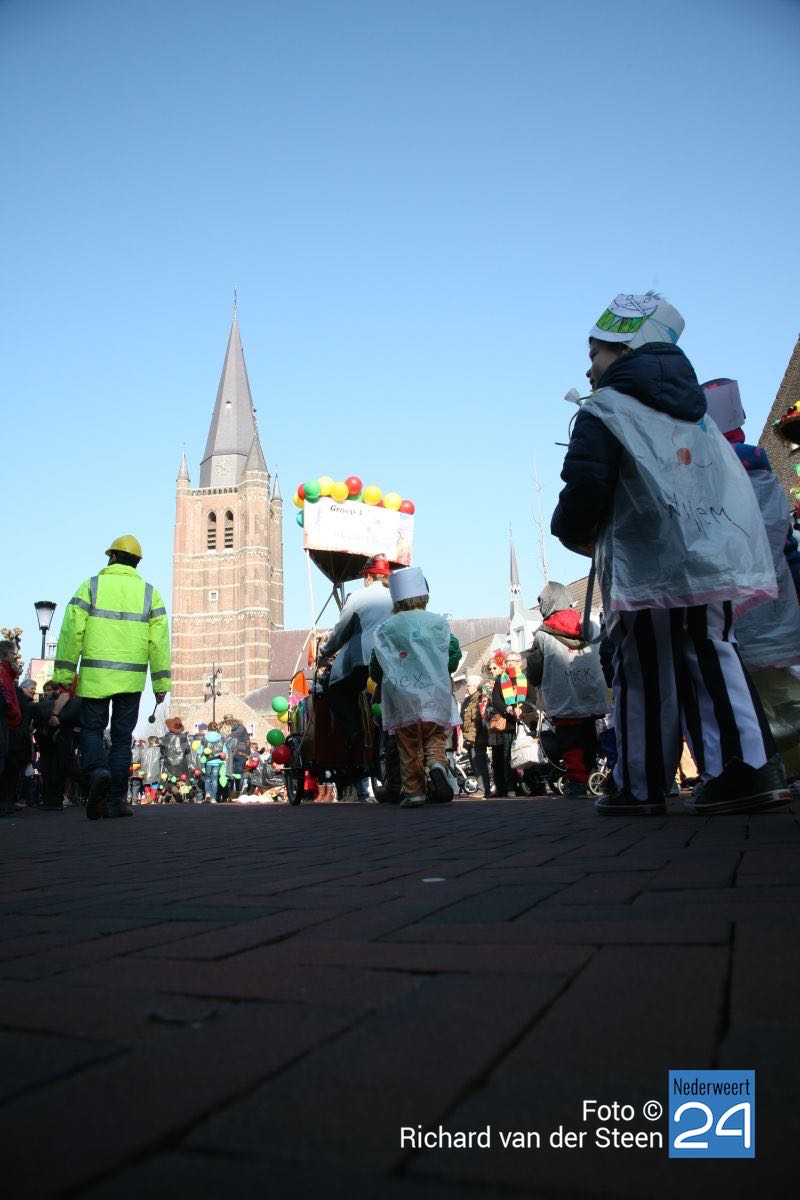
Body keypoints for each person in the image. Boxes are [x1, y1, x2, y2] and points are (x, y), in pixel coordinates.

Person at [551, 292, 788, 816]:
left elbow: (587, 481)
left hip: (646, 566)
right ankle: (747, 766)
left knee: (643, 666)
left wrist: (568, 527)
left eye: (595, 353)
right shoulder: (697, 416)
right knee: (713, 649)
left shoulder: (607, 409)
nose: (588, 368)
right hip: (709, 556)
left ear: (624, 349)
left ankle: (642, 783)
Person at [703, 378, 800, 773]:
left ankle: (773, 767)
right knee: (787, 687)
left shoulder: (706, 471)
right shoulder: (761, 466)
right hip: (778, 594)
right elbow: (783, 538)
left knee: (752, 695)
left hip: (734, 605)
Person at [52, 534, 171, 820]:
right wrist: (160, 684)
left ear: (113, 557)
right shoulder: (150, 593)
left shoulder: (91, 586)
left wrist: (64, 674)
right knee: (121, 739)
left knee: (92, 730)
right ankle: (116, 801)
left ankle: (97, 772)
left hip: (96, 676)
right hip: (131, 680)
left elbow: (71, 631)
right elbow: (159, 643)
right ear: (137, 562)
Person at [369, 566, 461, 808]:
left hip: (402, 695)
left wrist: (378, 680)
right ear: (424, 597)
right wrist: (442, 669)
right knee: (434, 737)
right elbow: (453, 652)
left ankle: (415, 792)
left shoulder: (386, 628)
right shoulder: (439, 623)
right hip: (435, 692)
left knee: (408, 744)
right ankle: (437, 765)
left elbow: (377, 662)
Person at [319, 554, 394, 799]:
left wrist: (326, 649)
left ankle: (354, 732)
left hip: (365, 662)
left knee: (336, 693)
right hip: (393, 661)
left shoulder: (358, 597)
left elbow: (341, 630)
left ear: (368, 577)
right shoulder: (397, 596)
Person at [524, 582, 609, 796]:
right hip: (591, 687)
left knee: (570, 739)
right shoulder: (590, 623)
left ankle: (577, 781)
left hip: (562, 691)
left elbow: (535, 670)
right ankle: (596, 772)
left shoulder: (542, 634)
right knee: (591, 733)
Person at [0, 640, 23, 816]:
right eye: (14, 654)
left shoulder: (7, 673)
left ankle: (6, 801)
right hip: (6, 721)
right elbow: (6, 697)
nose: (16, 658)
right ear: (8, 655)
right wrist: (13, 713)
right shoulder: (2, 672)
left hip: (9, 722)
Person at [460, 674, 492, 797]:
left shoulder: (481, 698)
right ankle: (482, 789)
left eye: (469, 685)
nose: (467, 688)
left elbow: (479, 718)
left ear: (475, 686)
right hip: (469, 736)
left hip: (478, 736)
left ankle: (484, 789)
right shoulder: (468, 700)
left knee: (480, 762)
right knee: (474, 763)